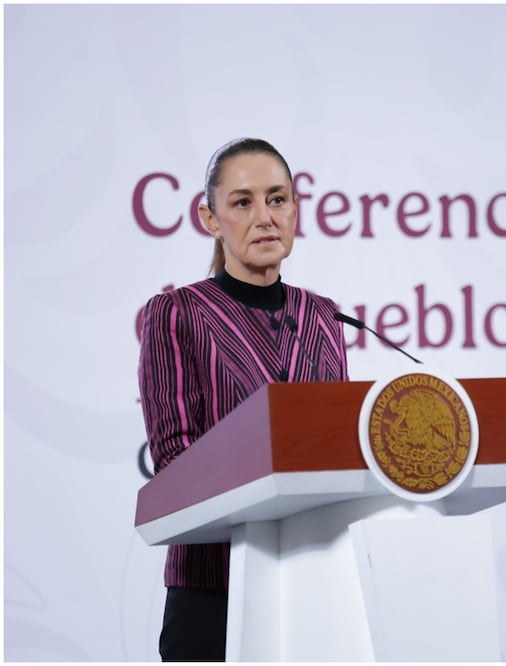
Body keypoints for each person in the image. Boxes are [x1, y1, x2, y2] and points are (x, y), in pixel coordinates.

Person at [137, 138, 349, 661]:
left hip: (312, 582)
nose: (264, 217)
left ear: (296, 210)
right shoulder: (177, 313)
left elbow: (339, 451)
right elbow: (175, 461)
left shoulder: (325, 317)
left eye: (277, 199)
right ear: (210, 219)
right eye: (242, 202)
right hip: (213, 589)